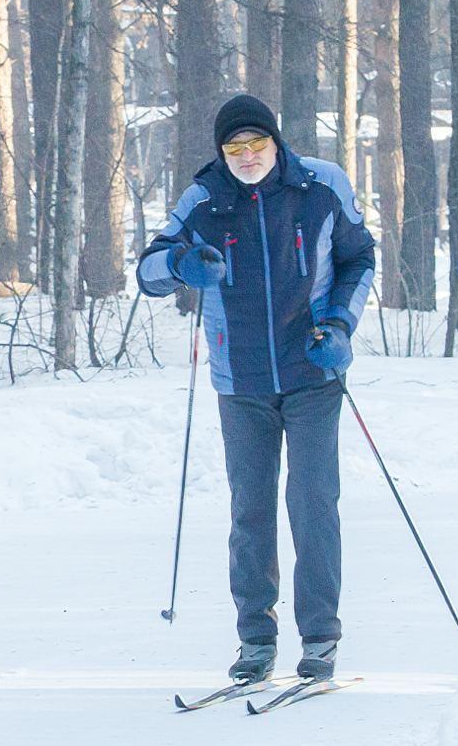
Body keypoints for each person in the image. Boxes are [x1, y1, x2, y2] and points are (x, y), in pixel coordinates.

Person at [135, 93, 376, 682]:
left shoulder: (321, 186)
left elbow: (359, 258)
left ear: (277, 141)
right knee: (251, 508)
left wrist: (341, 327)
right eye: (234, 147)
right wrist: (182, 266)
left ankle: (320, 637)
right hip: (239, 379)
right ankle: (256, 639)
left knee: (314, 501)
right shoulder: (204, 199)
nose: (247, 156)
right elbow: (149, 270)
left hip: (313, 369)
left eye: (257, 144)